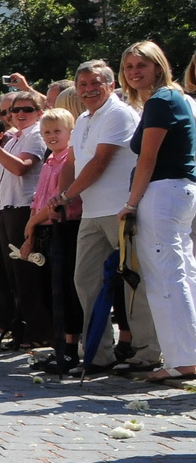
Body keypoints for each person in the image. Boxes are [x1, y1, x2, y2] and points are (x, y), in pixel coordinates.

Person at [61, 60, 156, 371]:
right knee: (85, 281)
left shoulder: (118, 113)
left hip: (121, 210)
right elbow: (71, 162)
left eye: (95, 83)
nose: (89, 90)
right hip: (91, 213)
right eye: (83, 85)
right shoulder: (84, 120)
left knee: (133, 283)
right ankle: (98, 355)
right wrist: (60, 197)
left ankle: (147, 353)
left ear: (111, 85)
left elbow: (100, 163)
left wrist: (67, 195)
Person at [118, 41, 196, 383]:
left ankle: (183, 359)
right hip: (178, 192)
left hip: (163, 192)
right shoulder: (175, 98)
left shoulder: (163, 100)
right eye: (129, 67)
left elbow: (147, 159)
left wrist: (131, 203)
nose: (134, 72)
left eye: (141, 66)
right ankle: (186, 354)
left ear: (158, 66)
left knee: (166, 276)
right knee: (182, 272)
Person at [0, 90, 48, 347]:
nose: (19, 114)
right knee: (14, 277)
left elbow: (21, 168)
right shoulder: (12, 140)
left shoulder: (37, 134)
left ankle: (39, 333)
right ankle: (22, 330)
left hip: (24, 208)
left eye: (26, 110)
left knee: (28, 274)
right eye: (14, 111)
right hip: (6, 209)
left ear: (39, 113)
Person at [21, 108, 82, 372]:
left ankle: (70, 349)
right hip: (45, 229)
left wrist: (32, 222)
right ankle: (58, 347)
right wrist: (31, 229)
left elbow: (57, 199)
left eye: (57, 131)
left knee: (66, 291)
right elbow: (39, 198)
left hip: (66, 225)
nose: (51, 136)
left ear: (70, 132)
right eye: (46, 132)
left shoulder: (70, 158)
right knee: (49, 292)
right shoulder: (49, 161)